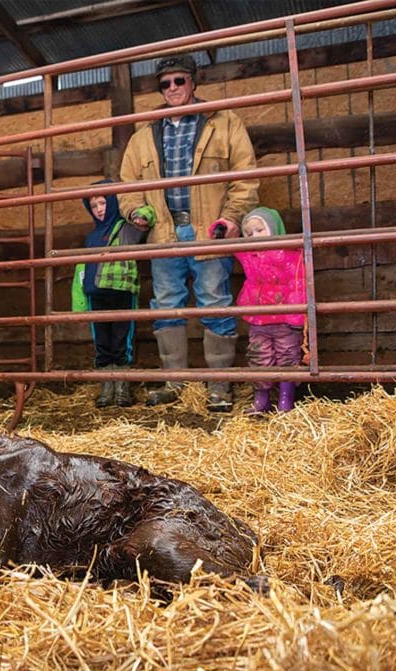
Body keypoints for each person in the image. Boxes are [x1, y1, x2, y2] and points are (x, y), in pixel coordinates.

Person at [119, 54, 258, 412]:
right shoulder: (143, 136)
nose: (173, 89)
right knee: (166, 306)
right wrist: (136, 210)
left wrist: (231, 218)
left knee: (214, 300)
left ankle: (219, 386)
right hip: (163, 232)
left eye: (179, 81)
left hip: (208, 229)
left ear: (194, 82)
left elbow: (244, 176)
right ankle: (174, 382)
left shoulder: (225, 122)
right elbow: (128, 185)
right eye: (165, 84)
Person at [215, 207, 305, 414]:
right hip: (258, 320)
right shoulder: (250, 254)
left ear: (274, 229)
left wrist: (296, 317)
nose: (254, 236)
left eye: (259, 230)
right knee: (259, 358)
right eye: (249, 233)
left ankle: (286, 401)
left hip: (285, 320)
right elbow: (231, 243)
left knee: (287, 358)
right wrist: (222, 228)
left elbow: (298, 284)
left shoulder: (290, 254)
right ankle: (261, 401)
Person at [75, 180, 142, 408]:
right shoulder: (92, 236)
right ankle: (106, 387)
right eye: (93, 206)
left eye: (103, 202)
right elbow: (83, 269)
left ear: (114, 202)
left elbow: (146, 220)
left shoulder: (126, 228)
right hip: (97, 294)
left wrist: (139, 214)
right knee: (102, 340)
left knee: (122, 338)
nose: (99, 209)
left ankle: (122, 387)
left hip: (121, 291)